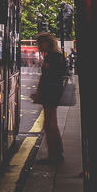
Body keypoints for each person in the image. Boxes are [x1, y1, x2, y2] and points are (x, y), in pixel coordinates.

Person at [33, 32, 68, 164]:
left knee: (49, 124)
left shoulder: (53, 57)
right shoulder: (55, 55)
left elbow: (49, 76)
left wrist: (39, 92)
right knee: (50, 123)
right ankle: (57, 153)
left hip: (50, 92)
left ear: (47, 43)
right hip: (53, 91)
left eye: (40, 43)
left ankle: (54, 155)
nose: (38, 46)